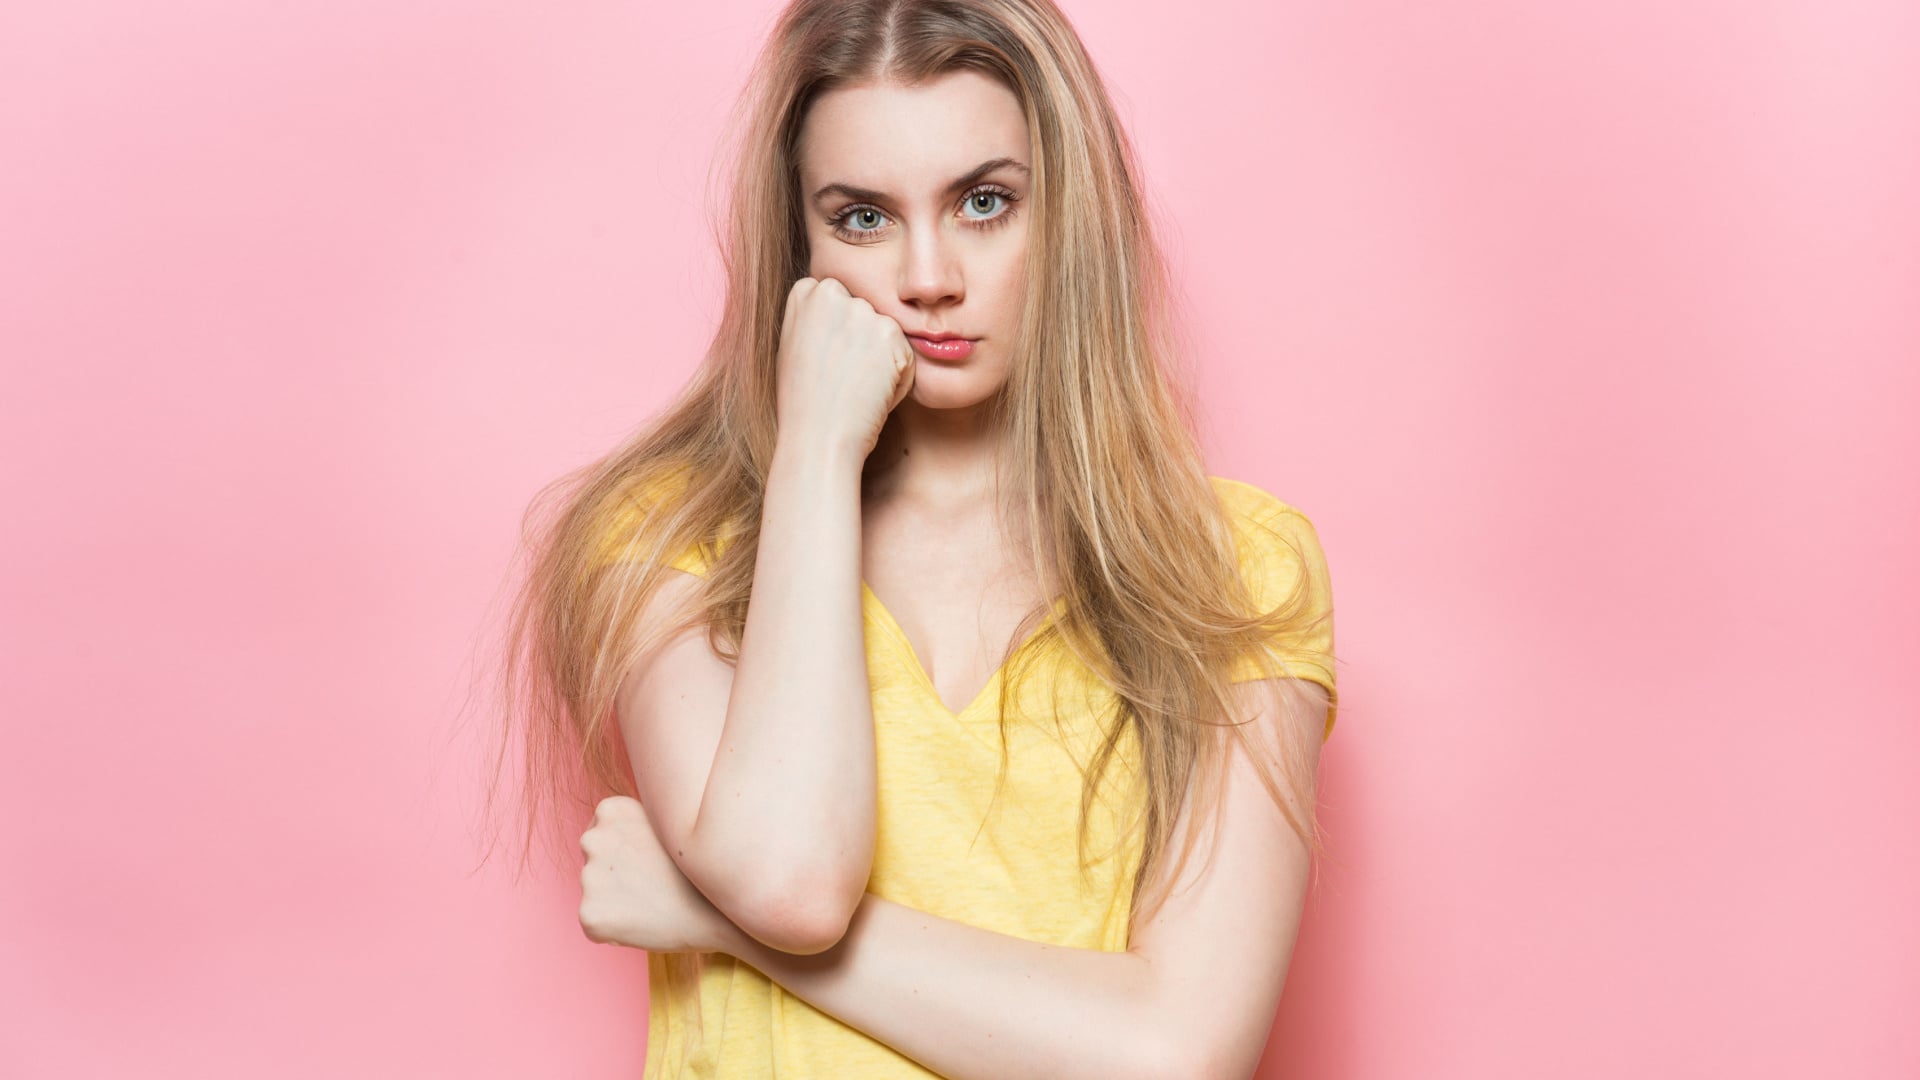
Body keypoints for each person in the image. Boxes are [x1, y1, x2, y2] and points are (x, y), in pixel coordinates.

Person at [484, 1, 1339, 1076]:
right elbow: (792, 884)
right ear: (798, 241)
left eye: (985, 202)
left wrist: (710, 917)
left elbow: (1172, 1056)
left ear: (1068, 216)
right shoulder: (669, 541)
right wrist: (815, 449)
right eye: (862, 218)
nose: (929, 276)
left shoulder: (1236, 568)